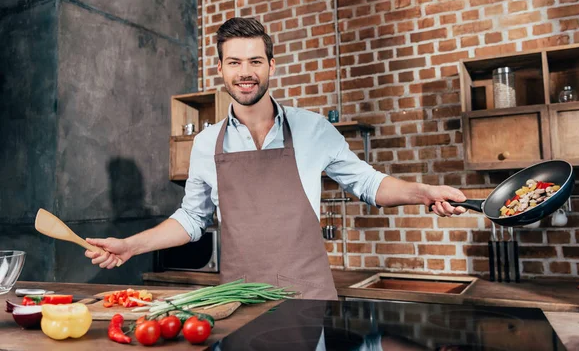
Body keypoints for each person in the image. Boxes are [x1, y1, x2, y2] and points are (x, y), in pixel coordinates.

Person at [85, 17, 467, 300]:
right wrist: (131, 245)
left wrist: (423, 192)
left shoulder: (312, 129)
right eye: (234, 62)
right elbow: (192, 219)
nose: (245, 73)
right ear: (220, 69)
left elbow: (367, 183)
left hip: (309, 300)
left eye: (255, 61)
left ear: (271, 65)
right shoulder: (204, 144)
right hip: (238, 301)